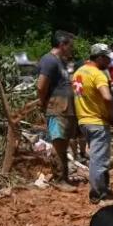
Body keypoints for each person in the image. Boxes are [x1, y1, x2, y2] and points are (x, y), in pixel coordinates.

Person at [74, 43, 113, 204]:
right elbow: (107, 97)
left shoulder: (79, 72)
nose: (109, 62)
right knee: (99, 159)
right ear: (99, 57)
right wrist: (112, 115)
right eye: (106, 58)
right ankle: (98, 193)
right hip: (97, 121)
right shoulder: (98, 74)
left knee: (97, 156)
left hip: (83, 120)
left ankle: (103, 187)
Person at [37, 30, 76, 184]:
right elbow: (41, 86)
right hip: (57, 107)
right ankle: (60, 180)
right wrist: (44, 102)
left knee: (63, 142)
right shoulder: (49, 60)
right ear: (62, 45)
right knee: (58, 143)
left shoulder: (60, 61)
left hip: (64, 107)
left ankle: (63, 178)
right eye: (70, 45)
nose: (72, 48)